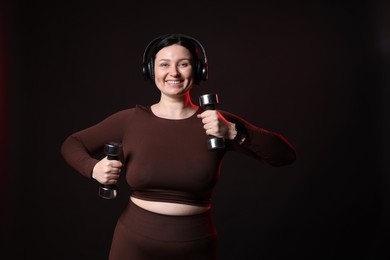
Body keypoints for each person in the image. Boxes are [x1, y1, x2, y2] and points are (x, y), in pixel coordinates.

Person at [60, 33, 296, 260]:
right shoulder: (131, 120)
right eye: (164, 64)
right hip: (133, 245)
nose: (173, 72)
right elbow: (72, 144)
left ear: (199, 70)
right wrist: (92, 169)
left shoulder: (217, 122)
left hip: (196, 247)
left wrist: (234, 132)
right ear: (151, 70)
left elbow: (284, 155)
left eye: (183, 64)